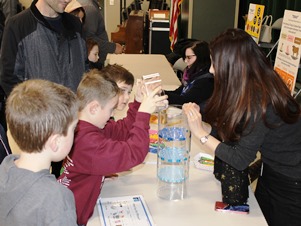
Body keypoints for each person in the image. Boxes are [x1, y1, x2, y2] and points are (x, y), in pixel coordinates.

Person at [182, 28, 301, 226]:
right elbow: (233, 132)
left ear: (233, 65)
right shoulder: (250, 84)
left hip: (291, 181)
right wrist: (201, 124)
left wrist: (201, 134)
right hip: (271, 170)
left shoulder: (260, 98)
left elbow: (239, 158)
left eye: (215, 63)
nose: (211, 70)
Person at [58, 68, 168, 225]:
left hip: (74, 207)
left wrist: (137, 103)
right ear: (94, 108)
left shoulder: (85, 127)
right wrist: (143, 114)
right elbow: (134, 153)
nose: (111, 115)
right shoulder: (87, 142)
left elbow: (122, 131)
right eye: (110, 110)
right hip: (71, 218)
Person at [0, 79, 78, 225]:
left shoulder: (5, 167)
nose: (76, 134)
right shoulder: (57, 200)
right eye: (74, 129)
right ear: (56, 142)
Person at [0, 0, 88, 96]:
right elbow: (9, 80)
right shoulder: (17, 26)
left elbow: (85, 70)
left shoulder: (76, 25)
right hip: (37, 109)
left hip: (74, 108)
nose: (68, 0)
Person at [164, 41, 214, 112]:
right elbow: (179, 92)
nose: (186, 61)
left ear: (201, 57)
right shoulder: (193, 74)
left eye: (189, 57)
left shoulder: (206, 81)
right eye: (185, 58)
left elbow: (185, 101)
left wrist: (162, 95)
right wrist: (160, 92)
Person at [77, 0, 123, 65]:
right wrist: (113, 47)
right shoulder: (90, 8)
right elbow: (89, 38)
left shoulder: (92, 5)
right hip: (95, 62)